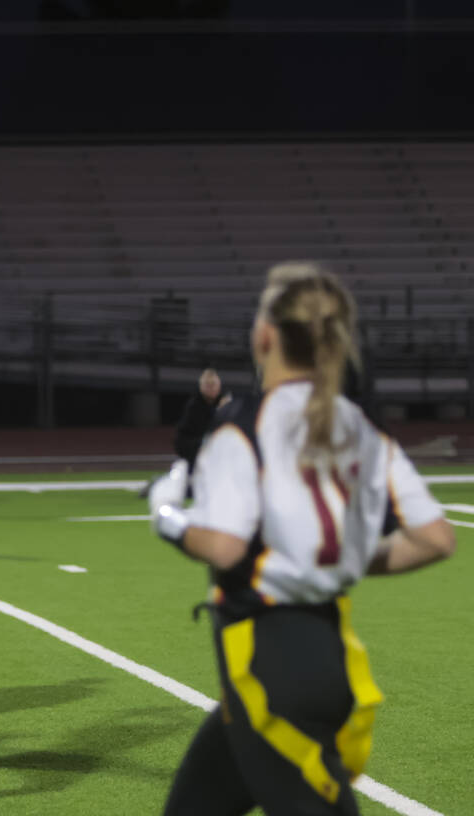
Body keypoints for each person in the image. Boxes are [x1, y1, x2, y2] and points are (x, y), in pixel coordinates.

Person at [147, 262, 455, 815]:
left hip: (269, 667)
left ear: (266, 336)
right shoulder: (359, 426)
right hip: (323, 654)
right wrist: (345, 560)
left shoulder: (242, 423)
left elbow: (224, 547)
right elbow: (435, 538)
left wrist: (166, 513)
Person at [173, 367, 231, 473]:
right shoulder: (194, 407)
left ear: (219, 386)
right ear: (201, 387)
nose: (211, 388)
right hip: (198, 454)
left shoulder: (226, 403)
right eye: (208, 385)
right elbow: (182, 440)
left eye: (213, 385)